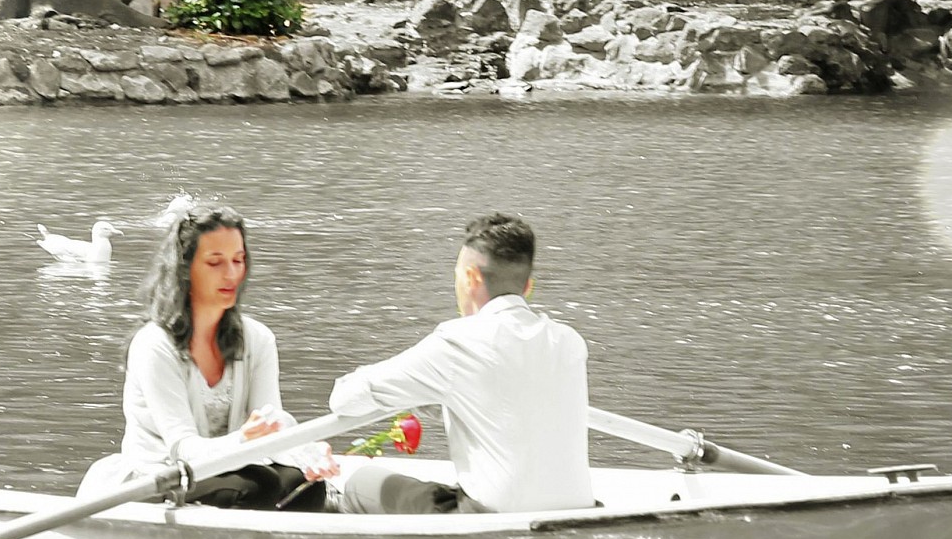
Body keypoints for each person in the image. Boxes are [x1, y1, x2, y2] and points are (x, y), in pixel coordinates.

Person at [326, 212, 593, 515]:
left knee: (361, 481)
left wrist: (421, 394)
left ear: (471, 278)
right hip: (576, 511)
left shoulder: (457, 342)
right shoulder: (570, 342)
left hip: (489, 521)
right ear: (527, 286)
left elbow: (345, 400)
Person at [78, 201, 332, 510]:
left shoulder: (259, 340)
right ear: (185, 269)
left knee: (304, 486)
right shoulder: (153, 345)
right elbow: (183, 449)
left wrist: (307, 456)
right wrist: (244, 440)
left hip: (234, 469)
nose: (231, 274)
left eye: (238, 260)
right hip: (159, 473)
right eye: (215, 262)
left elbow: (273, 425)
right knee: (256, 487)